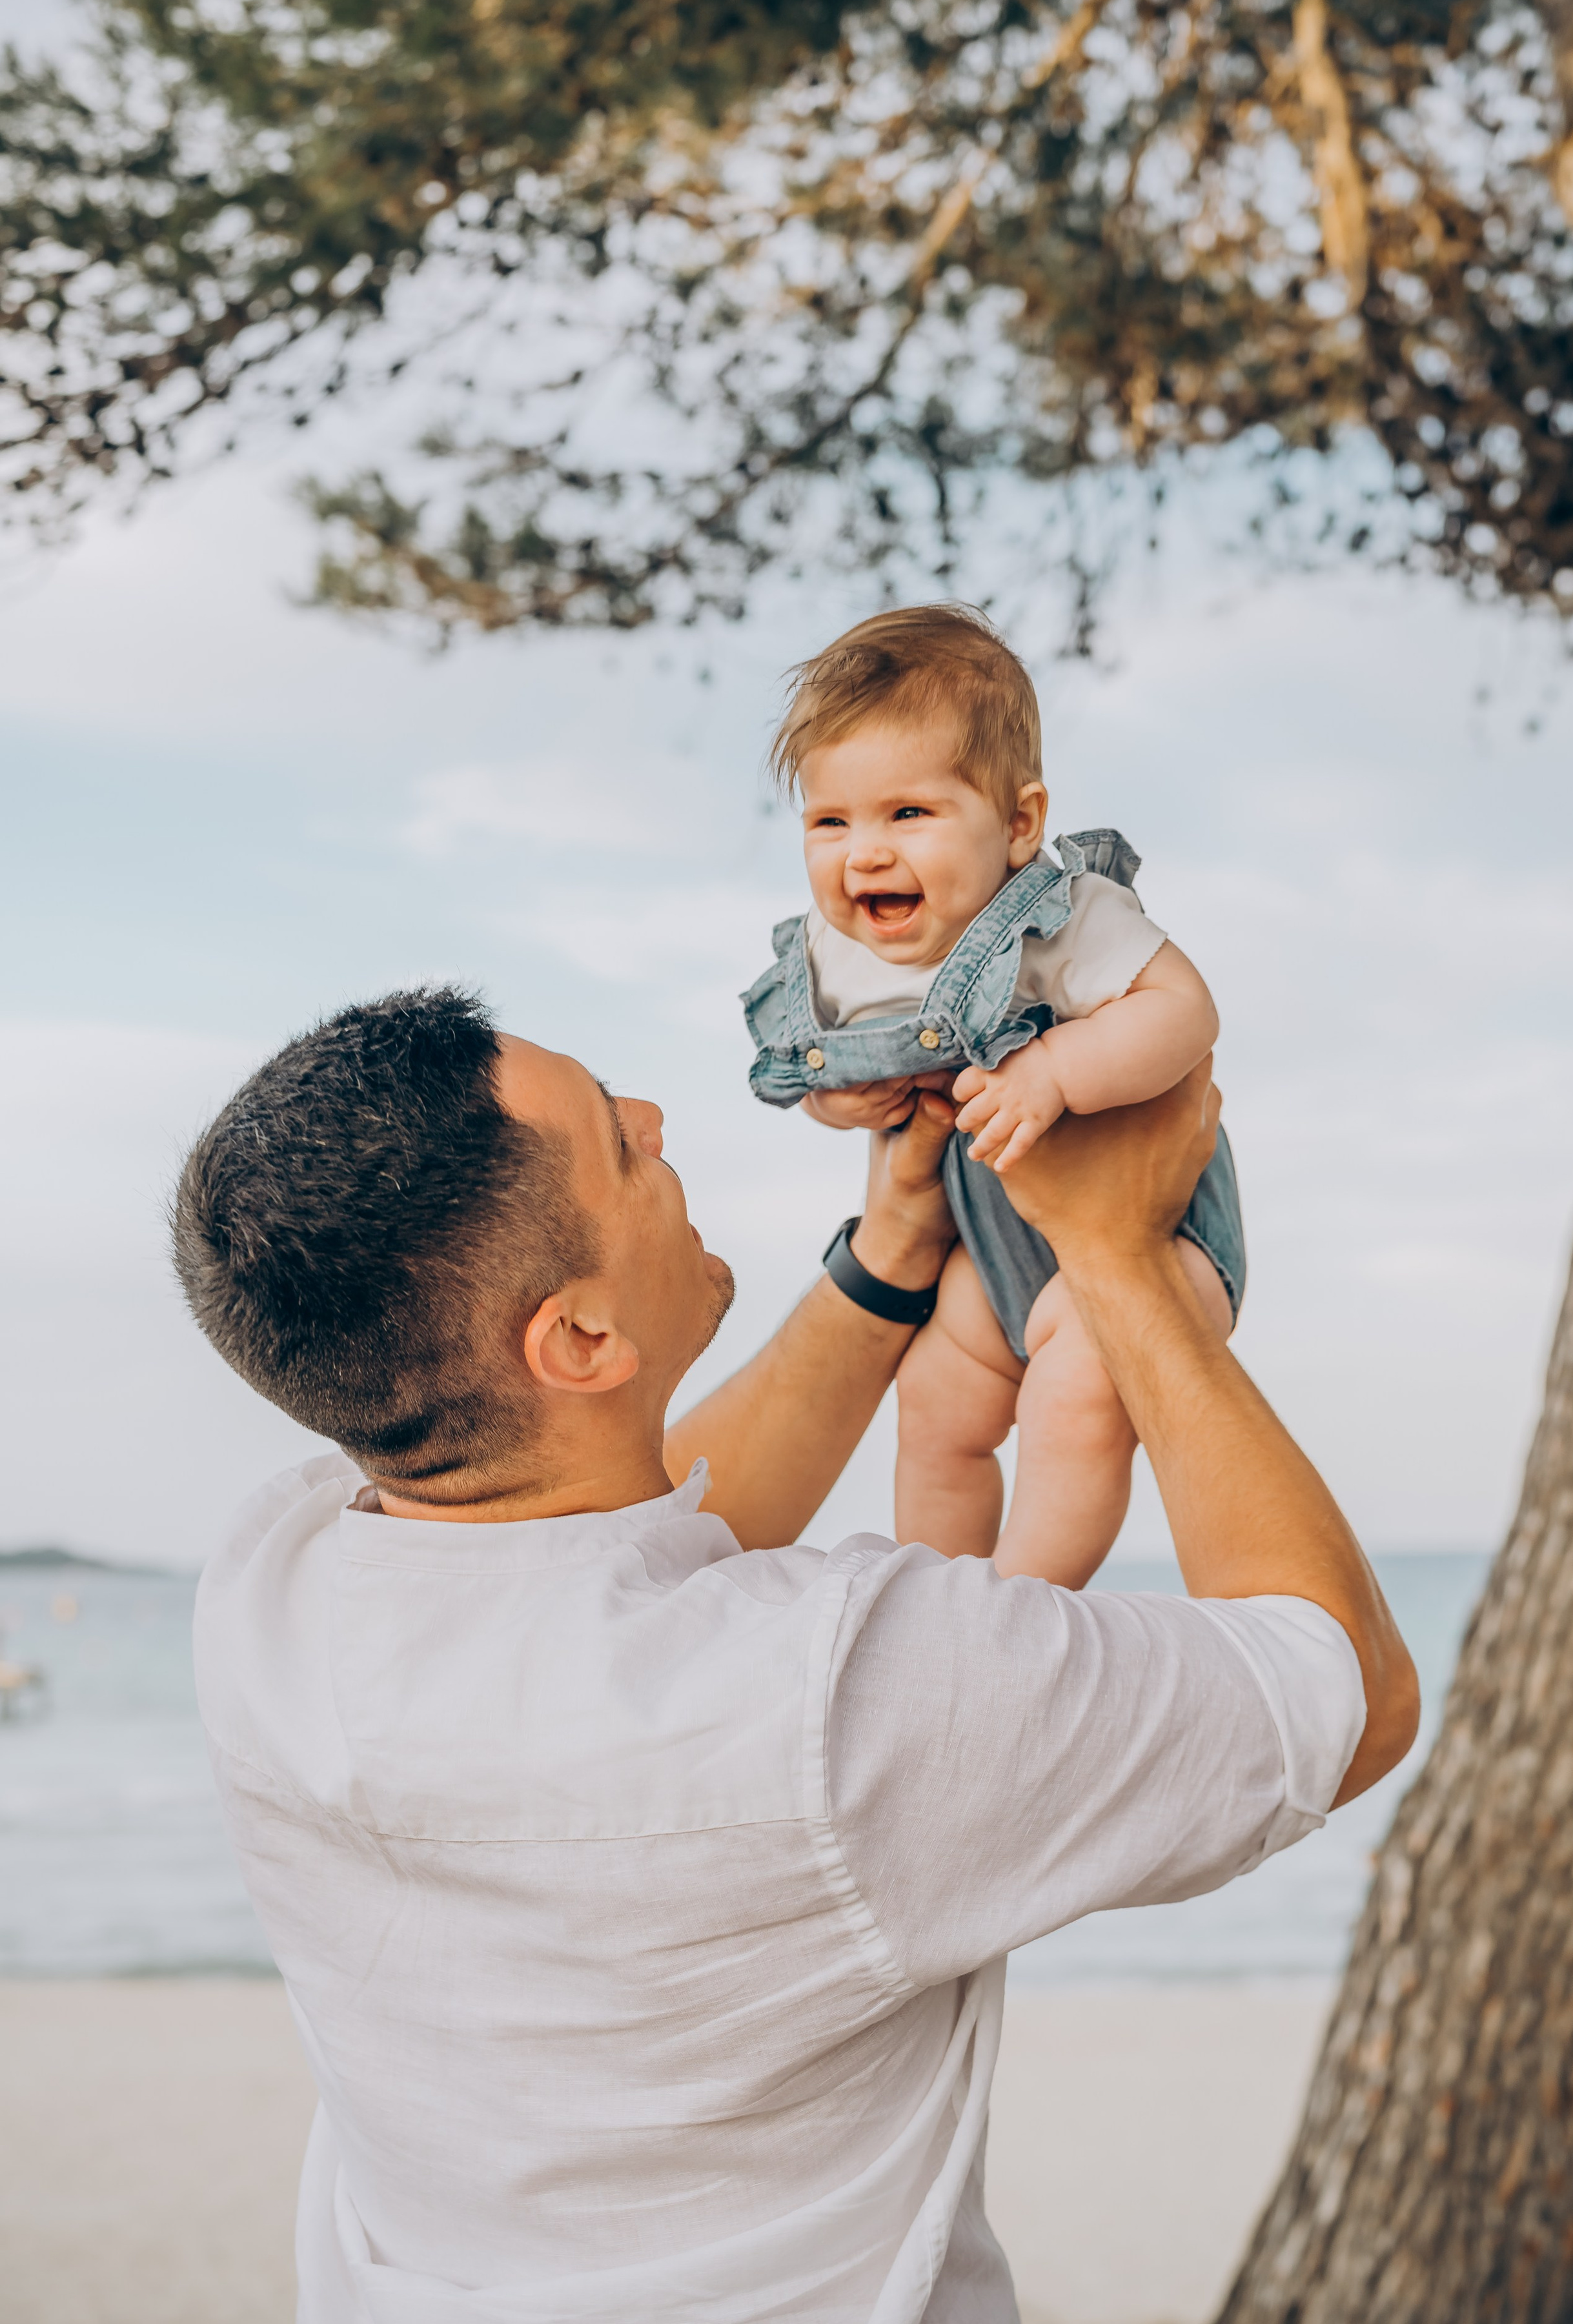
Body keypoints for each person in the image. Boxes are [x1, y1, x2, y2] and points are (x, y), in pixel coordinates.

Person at [176, 984, 1416, 2324]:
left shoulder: (269, 1594)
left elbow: (618, 1556)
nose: (656, 1117)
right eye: (619, 1141)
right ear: (582, 1339)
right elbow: (1343, 1690)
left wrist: (891, 1251)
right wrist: (1111, 1255)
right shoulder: (834, 1707)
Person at [743, 603, 1240, 1584]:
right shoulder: (838, 954)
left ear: (1019, 824)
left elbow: (1186, 1011)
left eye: (908, 814)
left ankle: (1026, 1601)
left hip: (1155, 1234)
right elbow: (822, 1068)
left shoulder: (1061, 921)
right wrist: (838, 1103)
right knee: (935, 1403)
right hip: (990, 1244)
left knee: (1073, 1395)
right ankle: (938, 1600)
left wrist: (1057, 1069)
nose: (865, 853)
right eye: (830, 821)